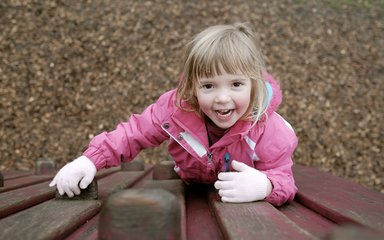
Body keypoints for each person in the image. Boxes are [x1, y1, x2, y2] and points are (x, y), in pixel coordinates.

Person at [49, 23, 298, 206]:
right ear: (192, 86)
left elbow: (284, 179)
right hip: (190, 183)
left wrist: (266, 186)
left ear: (254, 84)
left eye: (236, 85)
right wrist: (90, 160)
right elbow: (133, 133)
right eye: (209, 86)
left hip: (235, 198)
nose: (223, 98)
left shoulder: (268, 129)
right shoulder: (177, 109)